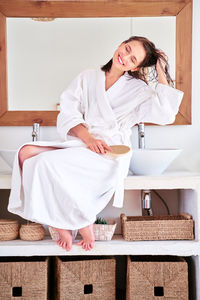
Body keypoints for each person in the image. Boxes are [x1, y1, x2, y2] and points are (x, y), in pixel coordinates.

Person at [8, 36, 184, 252]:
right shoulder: (88, 77)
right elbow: (68, 111)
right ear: (120, 44)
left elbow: (167, 115)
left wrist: (162, 71)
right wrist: (88, 139)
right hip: (83, 142)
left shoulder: (138, 89)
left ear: (136, 67)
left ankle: (73, 221)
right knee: (25, 153)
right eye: (126, 49)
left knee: (40, 163)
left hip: (109, 152)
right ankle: (68, 220)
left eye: (133, 59)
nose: (125, 56)